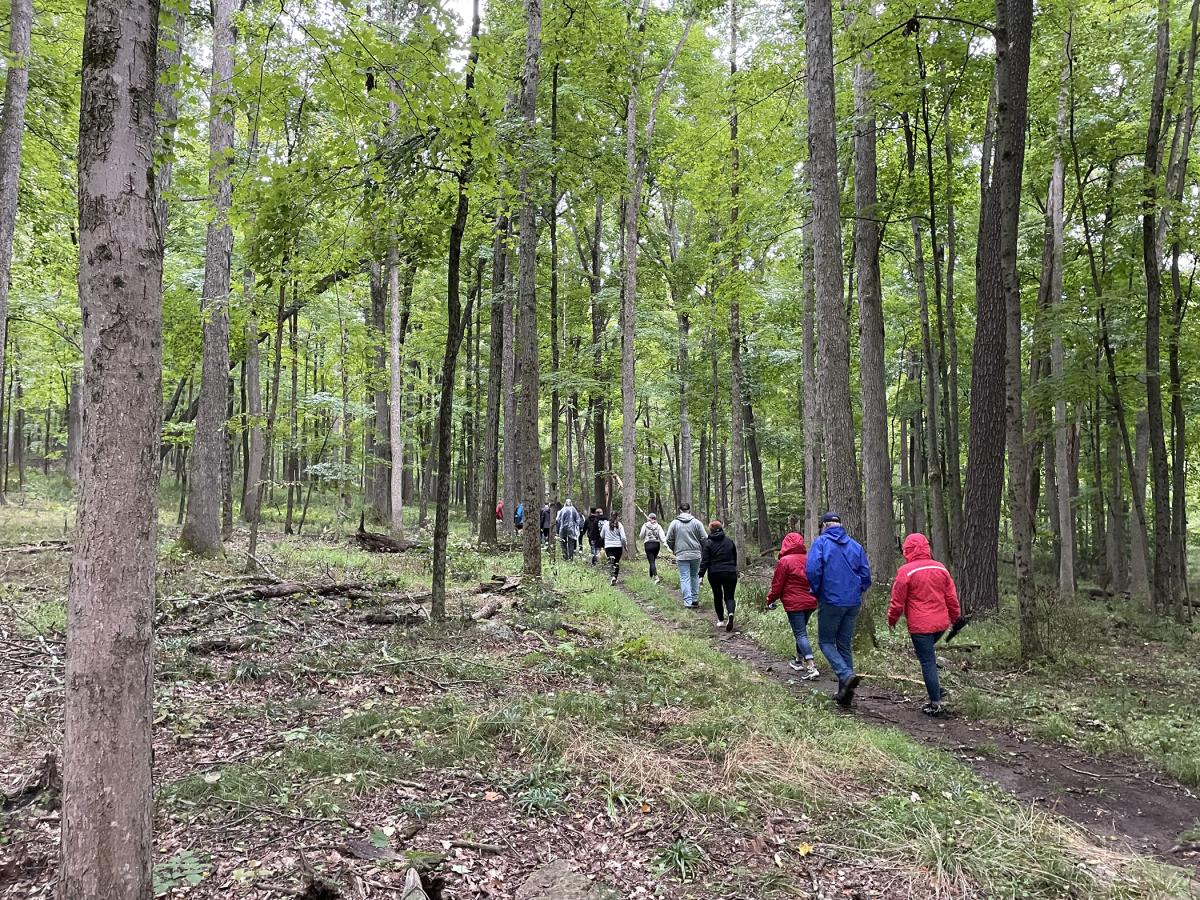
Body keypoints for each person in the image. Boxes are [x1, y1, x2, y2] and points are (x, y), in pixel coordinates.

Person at [888, 533, 961, 717]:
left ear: (907, 550)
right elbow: (951, 597)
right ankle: (936, 689)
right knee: (929, 657)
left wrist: (892, 619)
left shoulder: (906, 571)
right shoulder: (941, 568)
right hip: (940, 625)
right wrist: (955, 618)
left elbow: (897, 601)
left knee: (927, 661)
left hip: (920, 626)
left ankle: (936, 703)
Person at [807, 512, 871, 708]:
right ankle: (845, 694)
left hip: (831, 600)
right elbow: (866, 574)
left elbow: (812, 570)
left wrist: (817, 592)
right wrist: (856, 590)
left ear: (825, 526)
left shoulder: (821, 543)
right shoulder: (855, 546)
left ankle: (846, 675)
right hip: (852, 602)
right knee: (843, 644)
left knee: (825, 642)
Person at [766, 532, 819, 679]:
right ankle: (798, 660)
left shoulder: (784, 561)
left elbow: (777, 585)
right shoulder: (809, 559)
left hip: (794, 603)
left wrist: (770, 599)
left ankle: (811, 666)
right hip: (811, 602)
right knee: (801, 631)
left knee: (800, 633)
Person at [666, 503, 708, 609]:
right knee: (694, 576)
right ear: (689, 510)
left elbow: (668, 539)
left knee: (684, 577)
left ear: (680, 510)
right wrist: (702, 550)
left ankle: (687, 602)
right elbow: (704, 538)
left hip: (681, 554)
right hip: (696, 554)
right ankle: (694, 599)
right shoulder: (697, 523)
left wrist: (674, 549)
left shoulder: (674, 523)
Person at [699, 520, 738, 631]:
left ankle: (721, 620)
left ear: (710, 530)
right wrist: (734, 569)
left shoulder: (708, 543)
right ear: (721, 528)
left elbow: (705, 560)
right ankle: (730, 614)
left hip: (714, 573)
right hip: (730, 572)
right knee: (729, 597)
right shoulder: (729, 542)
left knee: (718, 596)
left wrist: (701, 575)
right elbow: (734, 557)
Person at [599, 511, 628, 585]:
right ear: (617, 517)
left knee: (611, 562)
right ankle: (615, 577)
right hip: (618, 546)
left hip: (609, 546)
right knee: (616, 563)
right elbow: (623, 538)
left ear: (610, 516)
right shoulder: (620, 525)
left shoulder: (605, 525)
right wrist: (625, 546)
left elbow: (602, 535)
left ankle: (612, 577)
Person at [639, 513, 668, 582]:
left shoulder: (645, 525)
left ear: (649, 518)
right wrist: (665, 544)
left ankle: (656, 577)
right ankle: (651, 576)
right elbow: (662, 536)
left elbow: (641, 536)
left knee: (651, 561)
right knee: (652, 561)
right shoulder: (658, 526)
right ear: (655, 518)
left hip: (648, 544)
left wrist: (644, 536)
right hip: (656, 545)